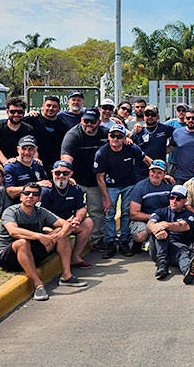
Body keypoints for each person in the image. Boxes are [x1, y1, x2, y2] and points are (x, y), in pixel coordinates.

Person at [0, 183, 87, 301]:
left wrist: (59, 235)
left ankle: (66, 276)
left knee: (61, 233)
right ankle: (38, 285)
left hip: (31, 253)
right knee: (22, 242)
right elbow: (13, 231)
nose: (30, 196)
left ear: (39, 198)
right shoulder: (11, 211)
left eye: (35, 194)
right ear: (21, 196)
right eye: (27, 193)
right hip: (8, 257)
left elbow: (66, 224)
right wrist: (39, 236)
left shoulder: (41, 212)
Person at [94, 123, 152, 258]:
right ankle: (110, 243)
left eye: (119, 136)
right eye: (113, 136)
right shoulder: (102, 153)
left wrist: (160, 171)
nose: (115, 139)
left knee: (127, 213)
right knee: (109, 214)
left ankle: (124, 241)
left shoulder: (131, 148)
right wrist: (106, 199)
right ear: (108, 136)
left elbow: (146, 159)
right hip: (110, 186)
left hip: (129, 185)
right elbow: (100, 178)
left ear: (124, 137)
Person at [60, 107, 109, 250]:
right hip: (76, 181)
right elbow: (66, 159)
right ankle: (67, 237)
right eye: (86, 121)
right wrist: (67, 176)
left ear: (99, 122)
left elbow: (118, 143)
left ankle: (96, 240)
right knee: (72, 211)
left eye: (92, 122)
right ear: (81, 120)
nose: (88, 124)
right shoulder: (73, 135)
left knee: (96, 212)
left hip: (95, 181)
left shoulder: (105, 134)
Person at [39, 160, 94, 269]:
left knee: (87, 222)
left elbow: (82, 208)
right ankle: (66, 273)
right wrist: (63, 225)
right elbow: (40, 216)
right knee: (64, 231)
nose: (61, 176)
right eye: (57, 173)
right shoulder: (46, 191)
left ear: (71, 174)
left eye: (65, 173)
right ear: (52, 173)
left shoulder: (75, 188)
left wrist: (77, 219)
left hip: (69, 223)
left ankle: (75, 257)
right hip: (50, 227)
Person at [147, 184, 194, 284]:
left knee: (183, 254)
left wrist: (165, 224)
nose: (174, 201)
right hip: (158, 250)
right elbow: (150, 223)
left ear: (185, 200)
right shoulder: (161, 211)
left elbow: (184, 226)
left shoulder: (190, 215)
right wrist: (157, 229)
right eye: (172, 197)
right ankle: (162, 265)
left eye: (178, 198)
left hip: (177, 247)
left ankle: (189, 272)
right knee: (161, 230)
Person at [127, 159, 174, 250]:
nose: (155, 175)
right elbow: (133, 214)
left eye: (159, 172)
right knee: (141, 235)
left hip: (164, 218)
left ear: (165, 174)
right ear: (149, 172)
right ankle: (143, 242)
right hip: (145, 220)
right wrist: (154, 218)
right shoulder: (140, 187)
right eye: (153, 171)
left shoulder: (169, 185)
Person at [23, 95, 70, 176]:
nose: (51, 108)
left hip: (55, 168)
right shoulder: (31, 120)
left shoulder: (64, 127)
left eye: (54, 106)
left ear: (59, 109)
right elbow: (13, 122)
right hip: (33, 165)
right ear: (43, 106)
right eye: (48, 105)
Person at [129, 104, 174, 181]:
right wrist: (133, 131)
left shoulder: (165, 128)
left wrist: (171, 147)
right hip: (141, 171)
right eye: (147, 114)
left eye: (153, 115)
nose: (150, 117)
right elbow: (129, 145)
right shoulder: (138, 130)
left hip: (159, 169)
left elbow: (180, 133)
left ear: (158, 116)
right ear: (144, 116)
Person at [4, 135, 50, 203]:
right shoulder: (11, 167)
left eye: (30, 149)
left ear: (36, 150)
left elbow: (46, 183)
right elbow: (10, 192)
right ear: (18, 149)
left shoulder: (37, 164)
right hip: (18, 206)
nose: (27, 152)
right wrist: (35, 185)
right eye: (24, 149)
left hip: (39, 204)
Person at [0, 96, 34, 164]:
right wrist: (7, 163)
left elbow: (33, 149)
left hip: (20, 166)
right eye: (13, 112)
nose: (16, 114)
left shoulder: (29, 129)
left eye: (19, 112)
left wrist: (35, 160)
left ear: (24, 112)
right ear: (7, 112)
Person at [164, 102, 188, 177]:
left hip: (186, 161)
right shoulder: (170, 123)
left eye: (183, 110)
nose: (181, 112)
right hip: (172, 160)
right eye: (179, 110)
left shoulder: (191, 123)